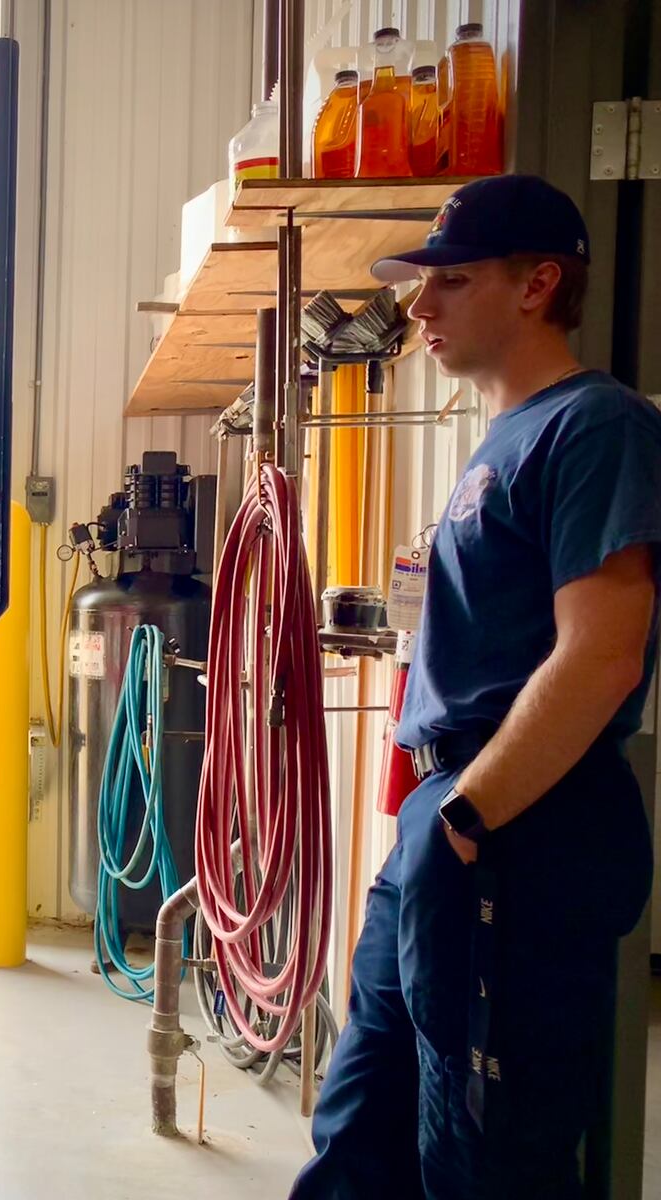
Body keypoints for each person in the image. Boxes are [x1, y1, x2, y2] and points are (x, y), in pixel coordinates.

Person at [291, 175, 660, 1198]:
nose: (419, 308)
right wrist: (433, 821)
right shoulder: (493, 441)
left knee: (482, 1155)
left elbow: (601, 655)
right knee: (362, 1125)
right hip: (444, 823)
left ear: (538, 282)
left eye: (450, 281)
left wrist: (465, 817)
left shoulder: (593, 426)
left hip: (517, 831)